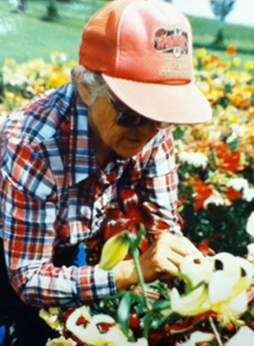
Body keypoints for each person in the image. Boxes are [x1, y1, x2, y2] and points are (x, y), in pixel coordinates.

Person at [0, 0, 212, 345]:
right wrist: (132, 272)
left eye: (161, 116)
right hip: (12, 258)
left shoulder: (152, 126)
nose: (146, 131)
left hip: (74, 243)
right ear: (86, 85)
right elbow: (29, 279)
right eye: (132, 113)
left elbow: (164, 225)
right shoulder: (32, 145)